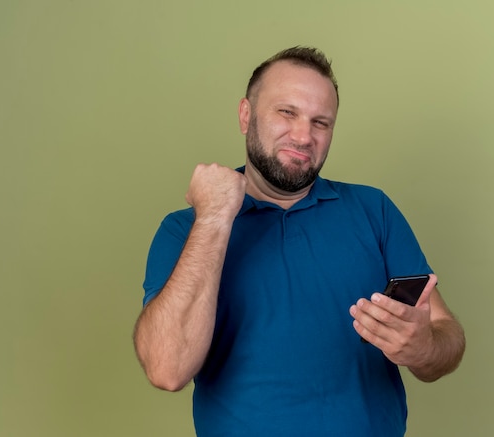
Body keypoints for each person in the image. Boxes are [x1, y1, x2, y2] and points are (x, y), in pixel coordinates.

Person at [133, 46, 465, 436]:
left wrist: (422, 346)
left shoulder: (373, 210)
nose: (304, 135)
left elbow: (447, 337)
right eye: (286, 112)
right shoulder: (185, 230)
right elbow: (166, 369)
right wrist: (213, 218)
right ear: (246, 115)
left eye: (321, 122)